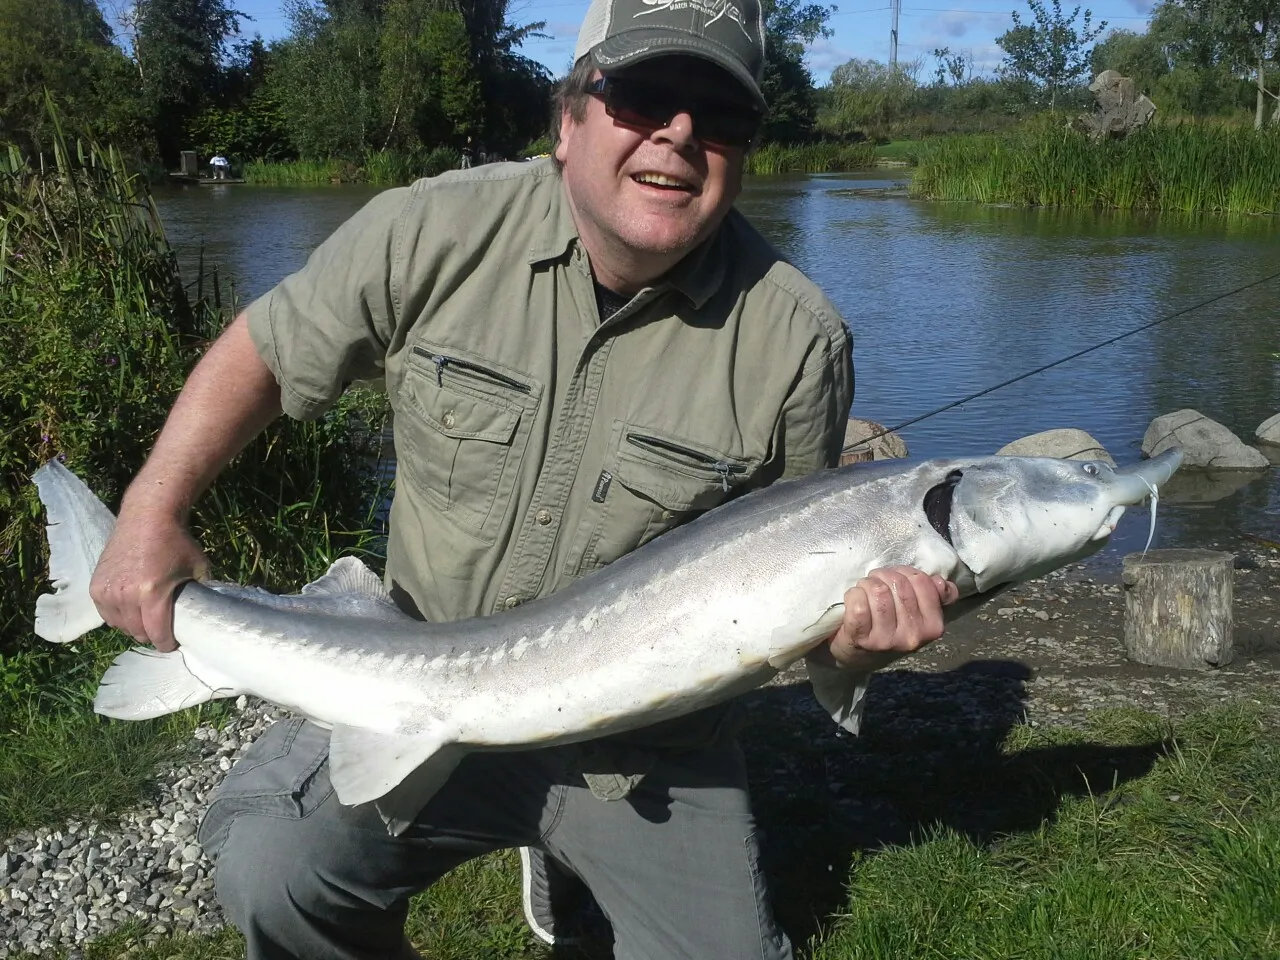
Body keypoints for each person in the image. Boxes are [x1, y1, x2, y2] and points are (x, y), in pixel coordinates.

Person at [88, 0, 958, 955]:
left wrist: (861, 649)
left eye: (721, 115)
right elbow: (263, 348)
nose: (678, 134)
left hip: (646, 755)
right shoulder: (435, 229)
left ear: (746, 149)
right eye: (643, 96)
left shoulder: (799, 341)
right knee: (272, 874)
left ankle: (569, 851)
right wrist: (150, 509)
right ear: (568, 118)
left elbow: (809, 623)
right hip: (412, 672)